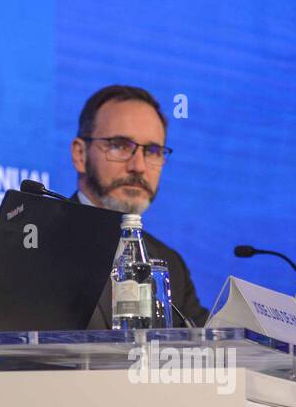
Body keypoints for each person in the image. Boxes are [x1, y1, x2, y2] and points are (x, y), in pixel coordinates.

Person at [69, 84, 208, 327]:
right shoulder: (35, 242)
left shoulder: (170, 263)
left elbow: (207, 348)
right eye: (120, 146)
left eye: (153, 151)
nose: (138, 166)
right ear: (80, 155)